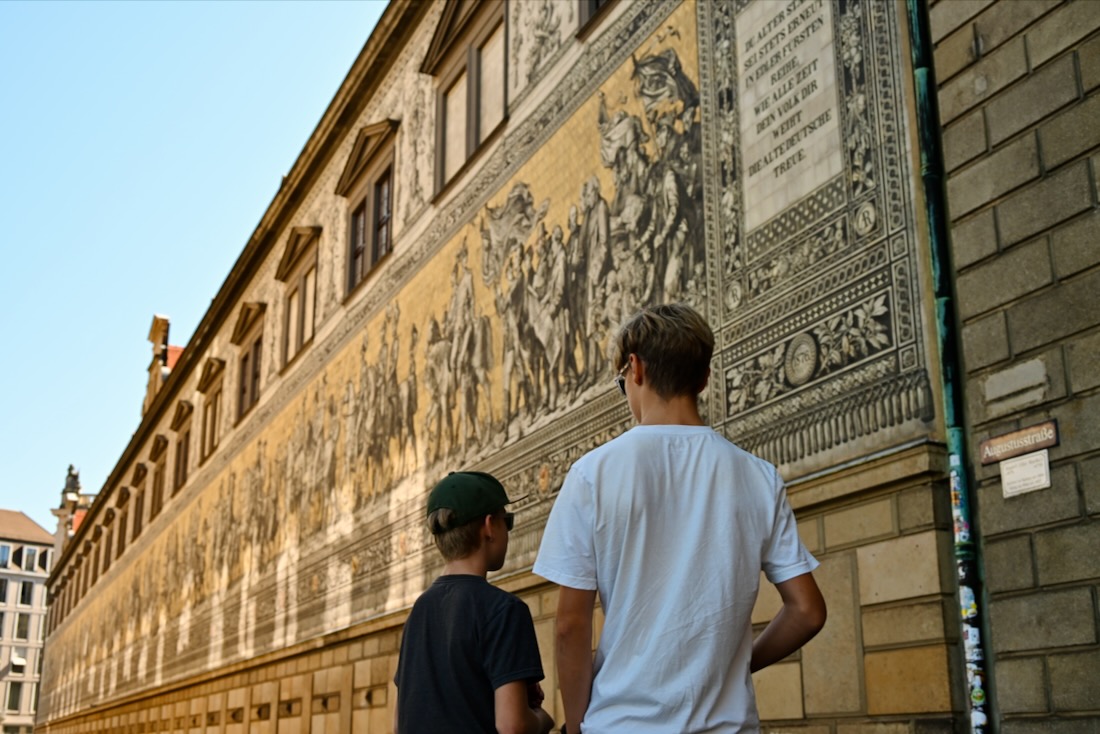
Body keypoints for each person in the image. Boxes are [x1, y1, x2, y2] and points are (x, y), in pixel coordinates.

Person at [533, 303, 826, 733]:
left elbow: (571, 626)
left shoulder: (593, 474)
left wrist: (576, 724)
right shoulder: (759, 478)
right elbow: (808, 611)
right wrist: (742, 663)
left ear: (635, 369)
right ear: (704, 378)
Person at [394, 471, 556, 734]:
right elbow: (512, 725)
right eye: (508, 521)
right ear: (490, 526)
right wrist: (541, 719)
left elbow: (399, 724)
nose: (508, 530)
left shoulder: (418, 613)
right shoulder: (504, 610)